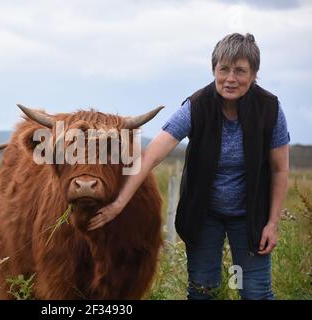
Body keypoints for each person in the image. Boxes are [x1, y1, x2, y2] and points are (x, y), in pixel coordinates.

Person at [87, 33, 290, 300]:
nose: (230, 78)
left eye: (240, 71)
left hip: (250, 217)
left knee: (254, 291)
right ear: (214, 70)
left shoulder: (270, 109)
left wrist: (272, 223)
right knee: (202, 290)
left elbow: (279, 169)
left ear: (254, 74)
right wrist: (118, 204)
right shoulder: (196, 106)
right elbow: (150, 157)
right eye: (223, 69)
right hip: (204, 215)